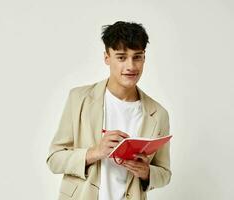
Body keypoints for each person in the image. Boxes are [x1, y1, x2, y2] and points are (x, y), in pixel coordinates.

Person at [46, 21, 171, 200]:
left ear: (144, 57)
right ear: (107, 57)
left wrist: (147, 172)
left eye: (137, 57)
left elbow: (165, 173)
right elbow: (54, 160)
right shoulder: (79, 99)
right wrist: (95, 152)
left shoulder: (158, 114)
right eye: (121, 57)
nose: (131, 66)